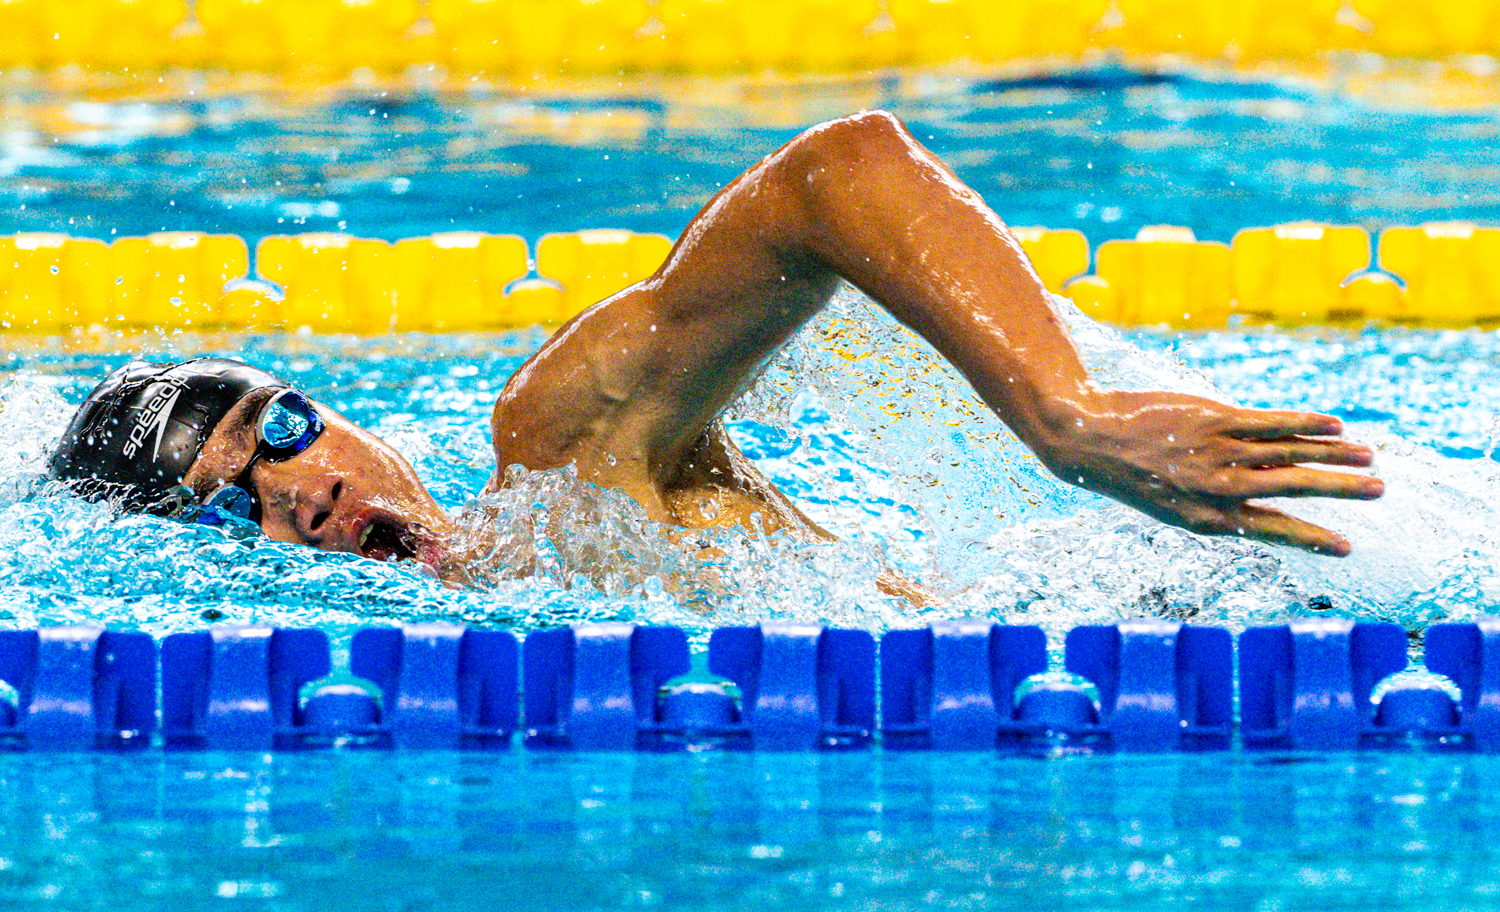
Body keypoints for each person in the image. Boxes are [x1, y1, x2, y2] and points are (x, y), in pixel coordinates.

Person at [48, 110, 1384, 593]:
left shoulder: (565, 454)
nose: (302, 489)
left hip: (1182, 601)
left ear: (338, 418)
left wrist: (1065, 414)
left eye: (281, 434)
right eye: (234, 505)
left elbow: (833, 175)